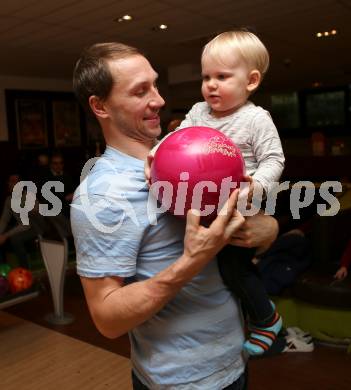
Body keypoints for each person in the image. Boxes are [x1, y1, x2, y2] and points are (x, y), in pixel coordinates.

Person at [71, 42, 279, 389]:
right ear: (100, 105)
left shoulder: (192, 152)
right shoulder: (101, 194)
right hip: (180, 381)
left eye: (155, 85)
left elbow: (236, 228)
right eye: (141, 91)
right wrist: (191, 261)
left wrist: (267, 227)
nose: (159, 100)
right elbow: (107, 319)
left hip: (235, 362)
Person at [145, 30, 285, 355]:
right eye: (206, 76)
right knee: (209, 269)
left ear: (250, 81)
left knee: (235, 269)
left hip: (237, 206)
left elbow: (273, 158)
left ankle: (267, 318)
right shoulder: (197, 112)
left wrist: (258, 185)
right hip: (200, 205)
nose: (210, 84)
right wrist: (156, 152)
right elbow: (176, 139)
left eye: (222, 76)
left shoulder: (255, 119)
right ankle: (240, 321)